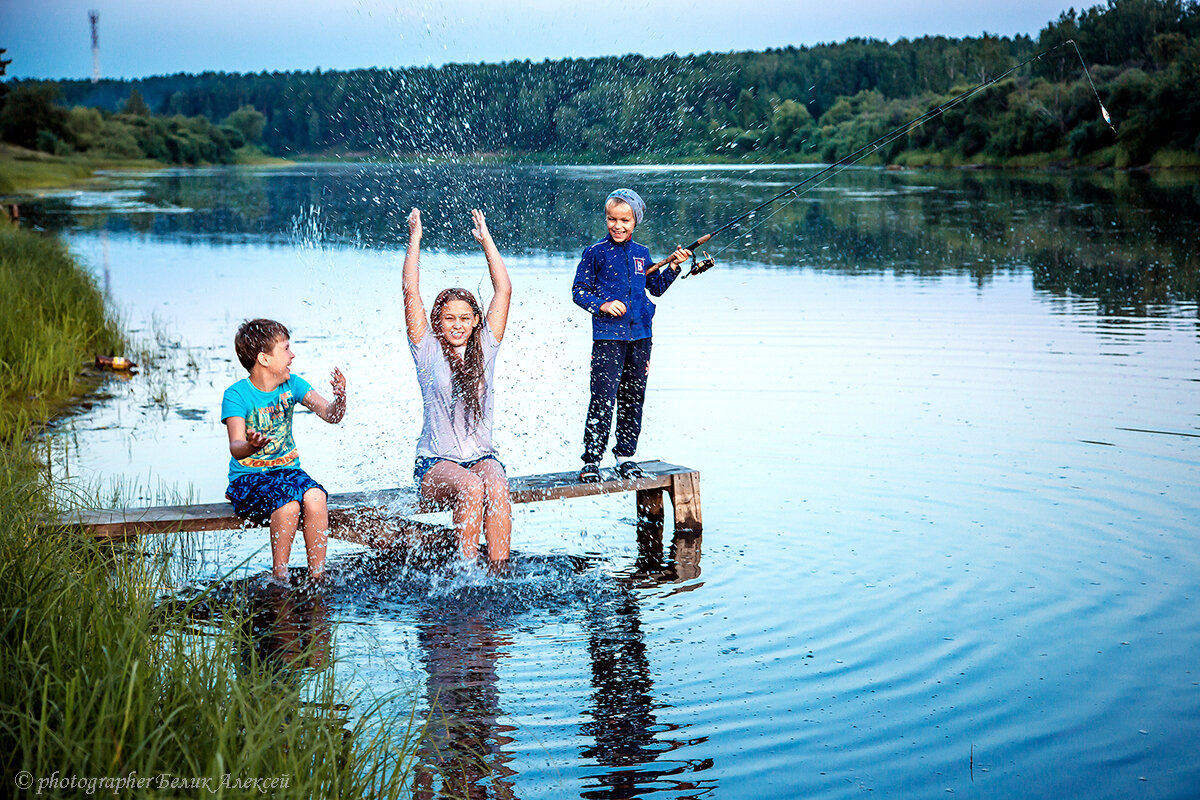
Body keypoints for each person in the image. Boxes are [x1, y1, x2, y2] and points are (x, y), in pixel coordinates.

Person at [403, 207, 512, 566]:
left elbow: (504, 289)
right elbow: (410, 290)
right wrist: (415, 241)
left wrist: (486, 241)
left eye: (465, 318)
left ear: (476, 320)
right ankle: (464, 576)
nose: (457, 325)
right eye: (449, 318)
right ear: (438, 320)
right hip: (435, 464)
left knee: (495, 483)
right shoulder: (426, 347)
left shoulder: (486, 346)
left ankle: (498, 572)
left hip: (480, 457)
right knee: (469, 487)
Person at [572, 188, 691, 483]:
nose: (618, 226)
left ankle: (625, 457)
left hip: (641, 337)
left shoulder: (642, 254)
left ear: (635, 221)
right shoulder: (595, 253)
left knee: (633, 397)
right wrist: (602, 305)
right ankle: (592, 461)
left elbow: (657, 288)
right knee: (602, 398)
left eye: (625, 220)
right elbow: (579, 291)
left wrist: (674, 266)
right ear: (606, 219)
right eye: (612, 219)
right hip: (608, 338)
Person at [221, 319, 346, 583]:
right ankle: (280, 578)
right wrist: (251, 446)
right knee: (288, 504)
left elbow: (331, 415)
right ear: (264, 359)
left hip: (288, 472)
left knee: (315, 497)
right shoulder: (236, 395)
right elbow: (235, 448)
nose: (293, 355)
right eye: (286, 349)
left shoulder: (294, 385)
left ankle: (318, 577)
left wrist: (340, 399)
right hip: (249, 478)